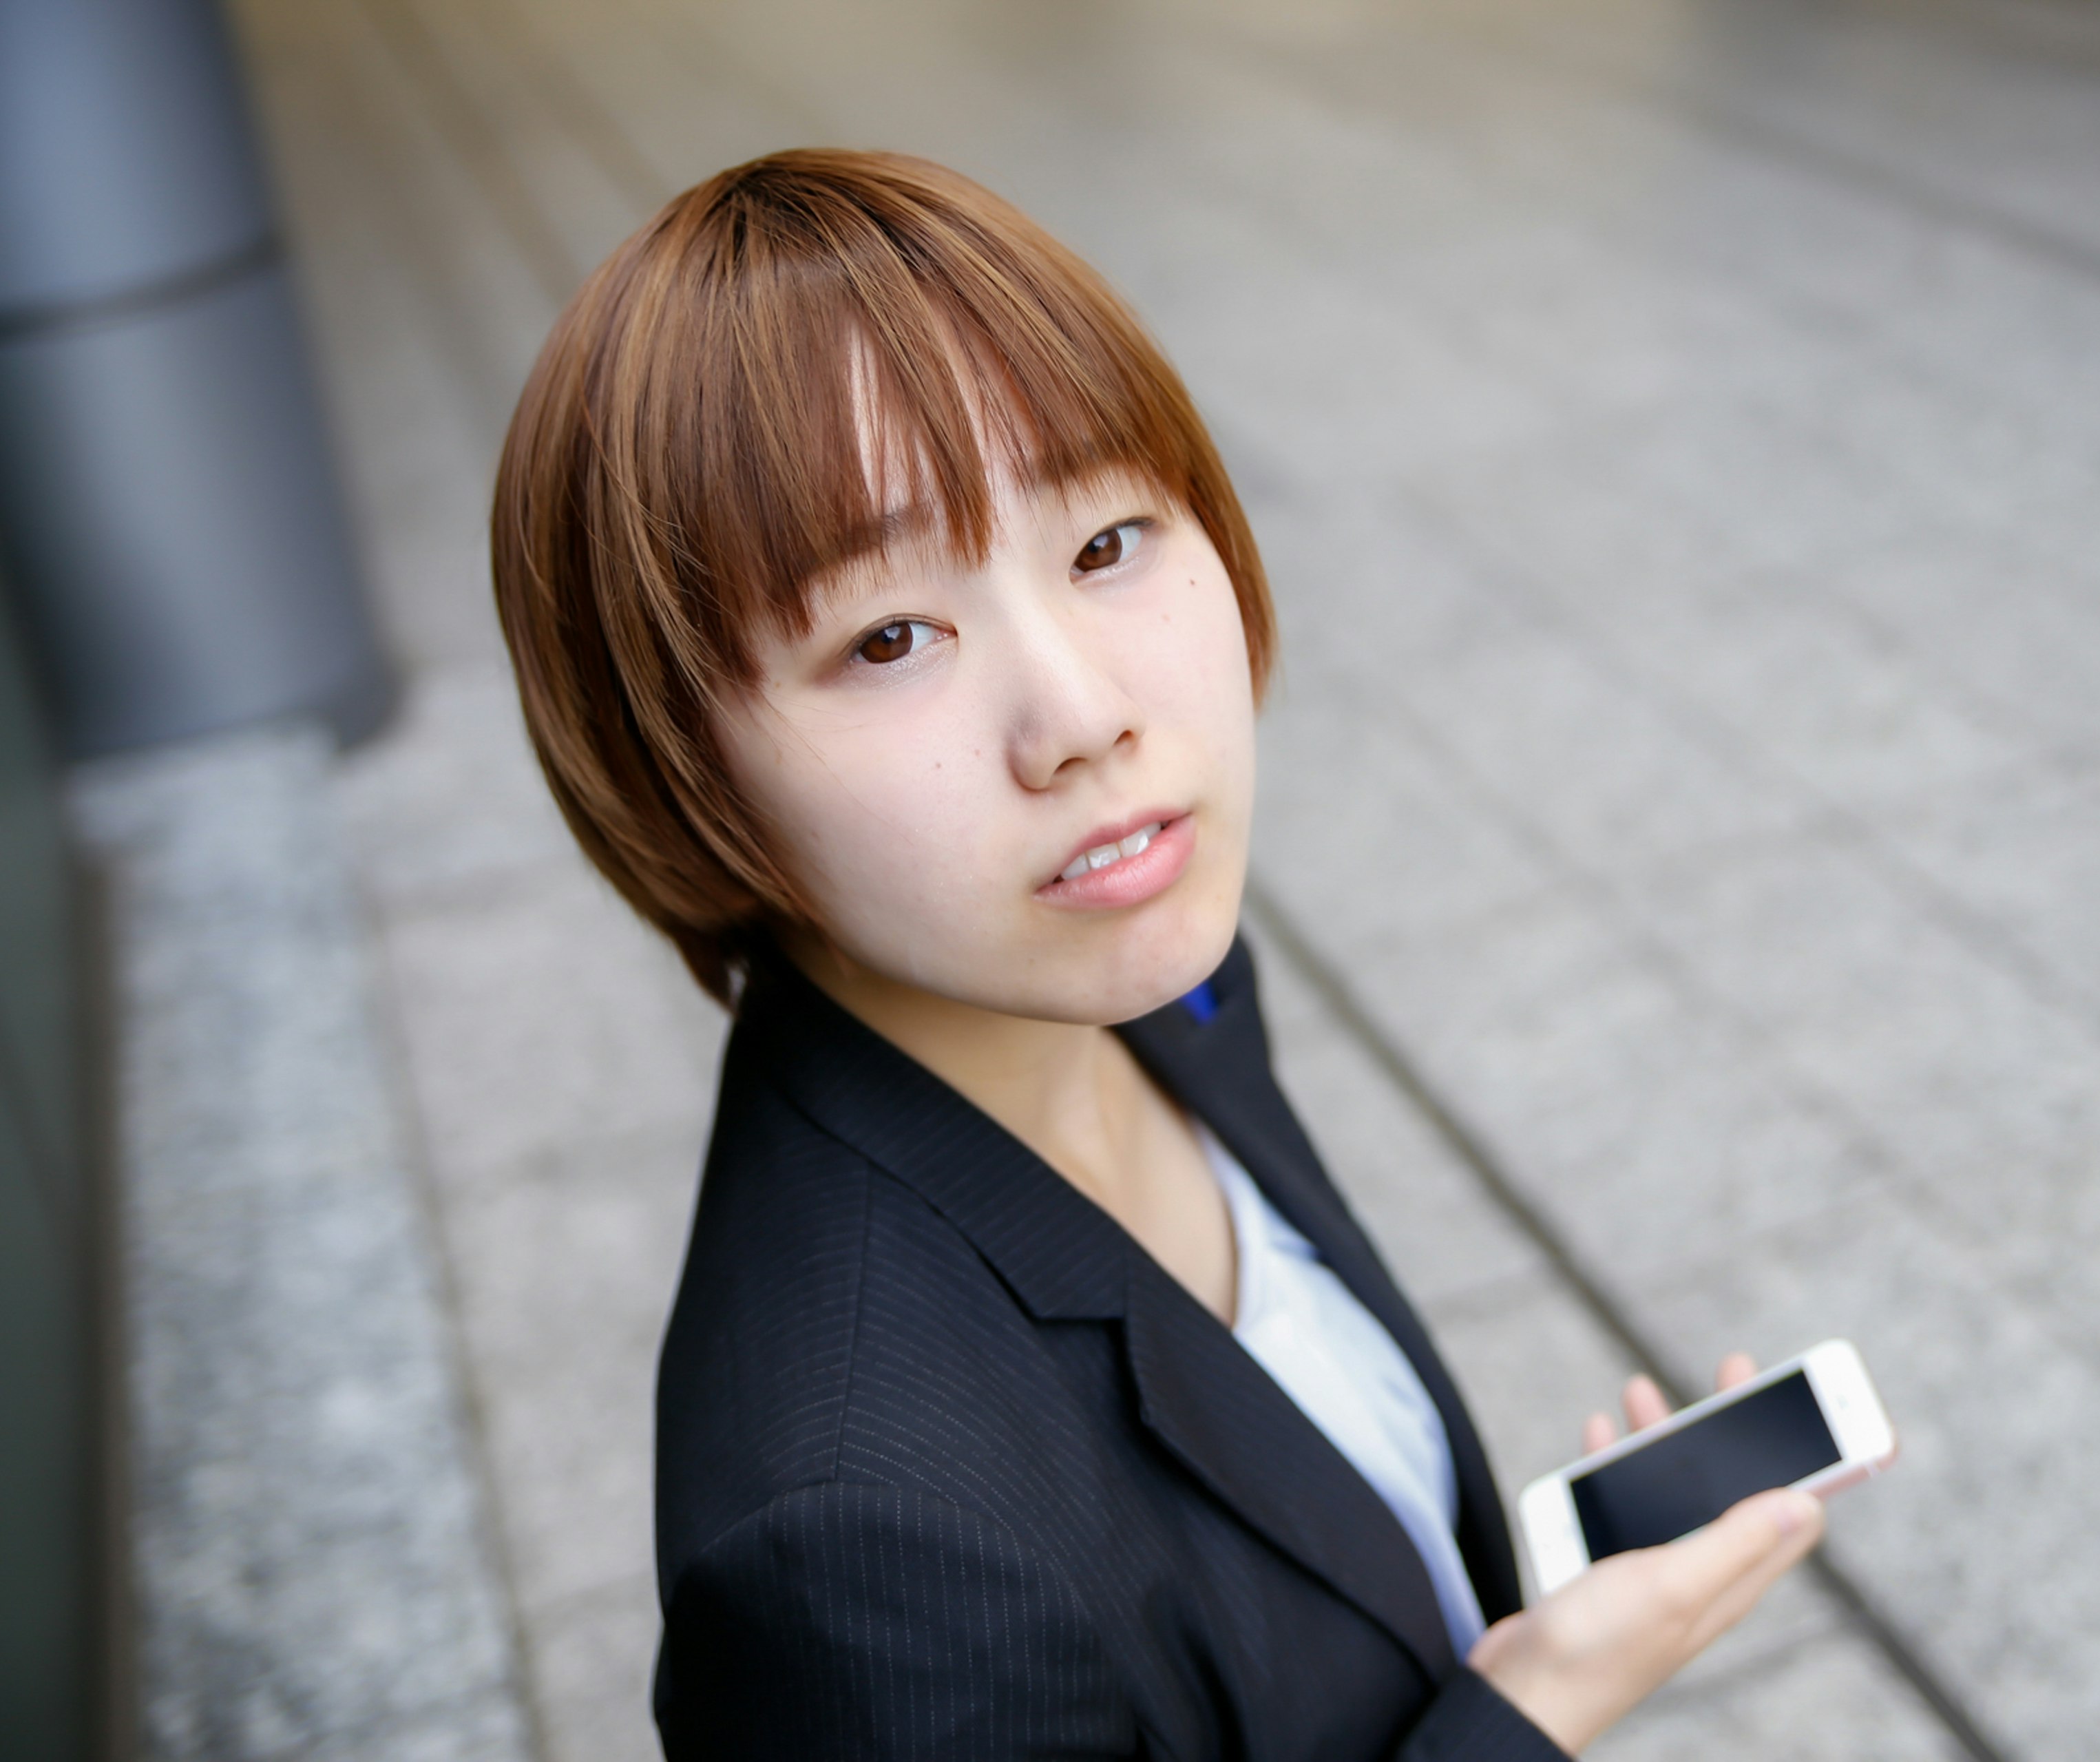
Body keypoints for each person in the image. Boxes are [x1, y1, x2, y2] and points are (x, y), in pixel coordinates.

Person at [490, 148, 1825, 1759]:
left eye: (1109, 539)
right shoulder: (856, 1555)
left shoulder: (1145, 975)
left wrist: (1516, 1613)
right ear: (678, 769)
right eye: (889, 637)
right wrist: (1533, 1710)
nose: (1082, 716)